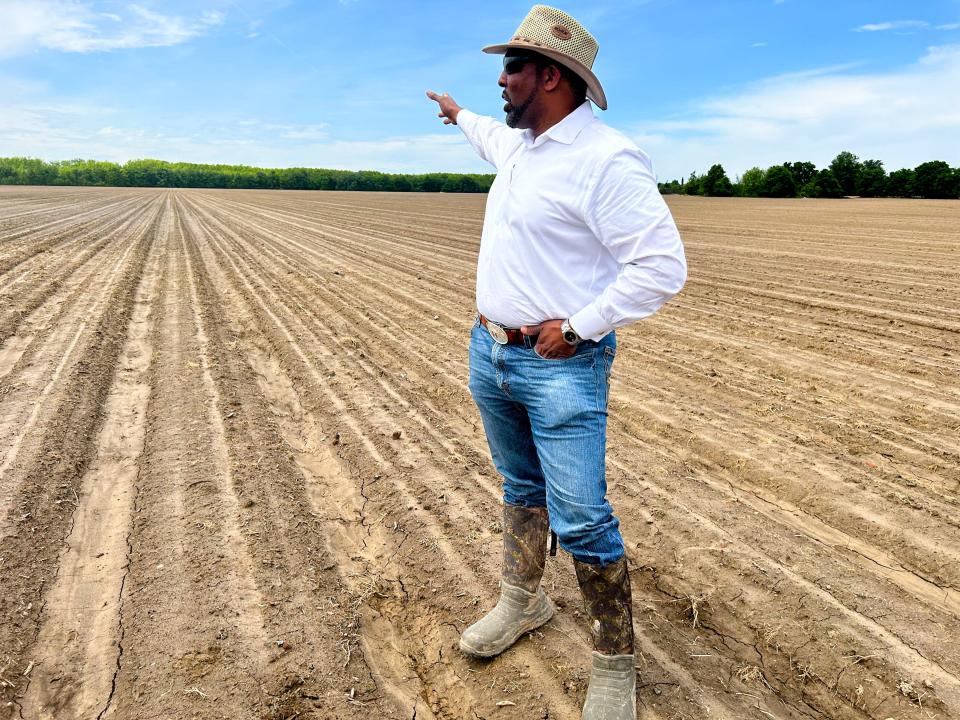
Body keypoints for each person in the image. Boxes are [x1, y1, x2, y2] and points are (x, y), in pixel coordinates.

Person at [426, 5, 686, 719]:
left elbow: (662, 266)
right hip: (491, 352)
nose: (500, 82)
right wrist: (457, 113)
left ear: (549, 76)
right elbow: (485, 131)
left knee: (583, 516)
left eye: (510, 68)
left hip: (561, 366)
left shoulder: (606, 159)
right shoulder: (520, 146)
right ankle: (525, 601)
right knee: (519, 486)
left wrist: (577, 328)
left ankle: (614, 662)